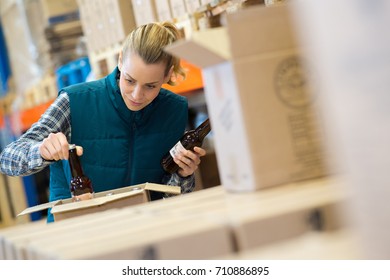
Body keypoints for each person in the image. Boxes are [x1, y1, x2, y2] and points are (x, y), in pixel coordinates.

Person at [0, 22, 206, 222]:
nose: (137, 94)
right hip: (75, 234)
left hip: (142, 233)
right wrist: (41, 151)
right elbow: (7, 160)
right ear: (120, 60)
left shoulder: (174, 110)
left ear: (168, 75)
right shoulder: (74, 101)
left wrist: (183, 175)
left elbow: (171, 196)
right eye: (130, 80)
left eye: (150, 86)